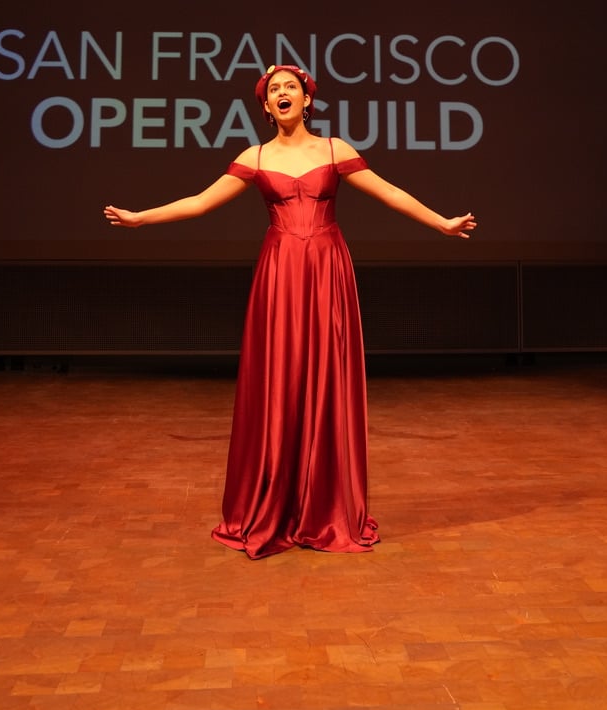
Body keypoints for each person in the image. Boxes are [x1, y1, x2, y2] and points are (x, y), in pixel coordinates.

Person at [104, 65, 476, 559]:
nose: (282, 94)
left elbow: (390, 193)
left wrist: (442, 224)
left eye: (290, 88)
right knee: (280, 380)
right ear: (265, 106)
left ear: (306, 100)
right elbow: (198, 203)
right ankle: (275, 503)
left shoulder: (334, 149)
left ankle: (325, 509)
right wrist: (139, 218)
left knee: (326, 379)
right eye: (273, 90)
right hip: (279, 274)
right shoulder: (254, 157)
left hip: (326, 270)